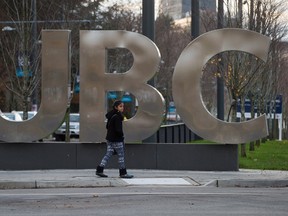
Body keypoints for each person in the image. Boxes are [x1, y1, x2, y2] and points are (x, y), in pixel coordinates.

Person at [96, 100, 133, 178]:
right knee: (121, 156)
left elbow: (107, 127)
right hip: (117, 139)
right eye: (120, 106)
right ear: (116, 107)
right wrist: (121, 136)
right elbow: (118, 130)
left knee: (108, 154)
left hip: (109, 139)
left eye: (123, 106)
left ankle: (99, 169)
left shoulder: (111, 115)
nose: (122, 108)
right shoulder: (118, 116)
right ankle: (123, 173)